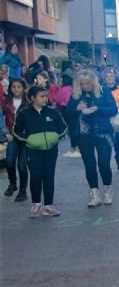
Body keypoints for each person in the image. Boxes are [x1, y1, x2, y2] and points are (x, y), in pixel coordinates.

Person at [13, 84, 67, 217]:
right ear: (32, 98)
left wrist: (55, 137)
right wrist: (28, 139)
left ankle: (48, 206)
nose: (45, 99)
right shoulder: (24, 114)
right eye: (41, 96)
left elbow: (63, 127)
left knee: (49, 177)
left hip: (51, 150)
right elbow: (16, 130)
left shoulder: (52, 112)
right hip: (33, 151)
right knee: (36, 176)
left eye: (46, 96)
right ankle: (36, 204)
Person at [69, 68, 118, 207]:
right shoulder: (76, 95)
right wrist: (77, 109)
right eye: (82, 84)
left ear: (93, 82)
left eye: (87, 83)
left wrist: (97, 108)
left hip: (103, 133)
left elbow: (113, 109)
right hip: (84, 134)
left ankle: (108, 190)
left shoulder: (103, 92)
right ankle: (95, 194)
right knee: (89, 164)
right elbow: (67, 113)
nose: (85, 86)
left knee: (103, 163)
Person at [3, 77, 28, 200]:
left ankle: (23, 191)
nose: (16, 89)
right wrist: (5, 133)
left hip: (25, 139)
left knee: (22, 165)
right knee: (9, 162)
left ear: (23, 88)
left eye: (19, 87)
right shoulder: (5, 101)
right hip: (12, 137)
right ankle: (13, 184)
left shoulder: (29, 102)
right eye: (13, 87)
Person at [101, 68, 119, 171]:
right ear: (104, 78)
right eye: (107, 76)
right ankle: (105, 167)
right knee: (105, 145)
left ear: (115, 77)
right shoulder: (100, 90)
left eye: (111, 76)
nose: (109, 78)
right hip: (105, 120)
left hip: (118, 119)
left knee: (118, 143)